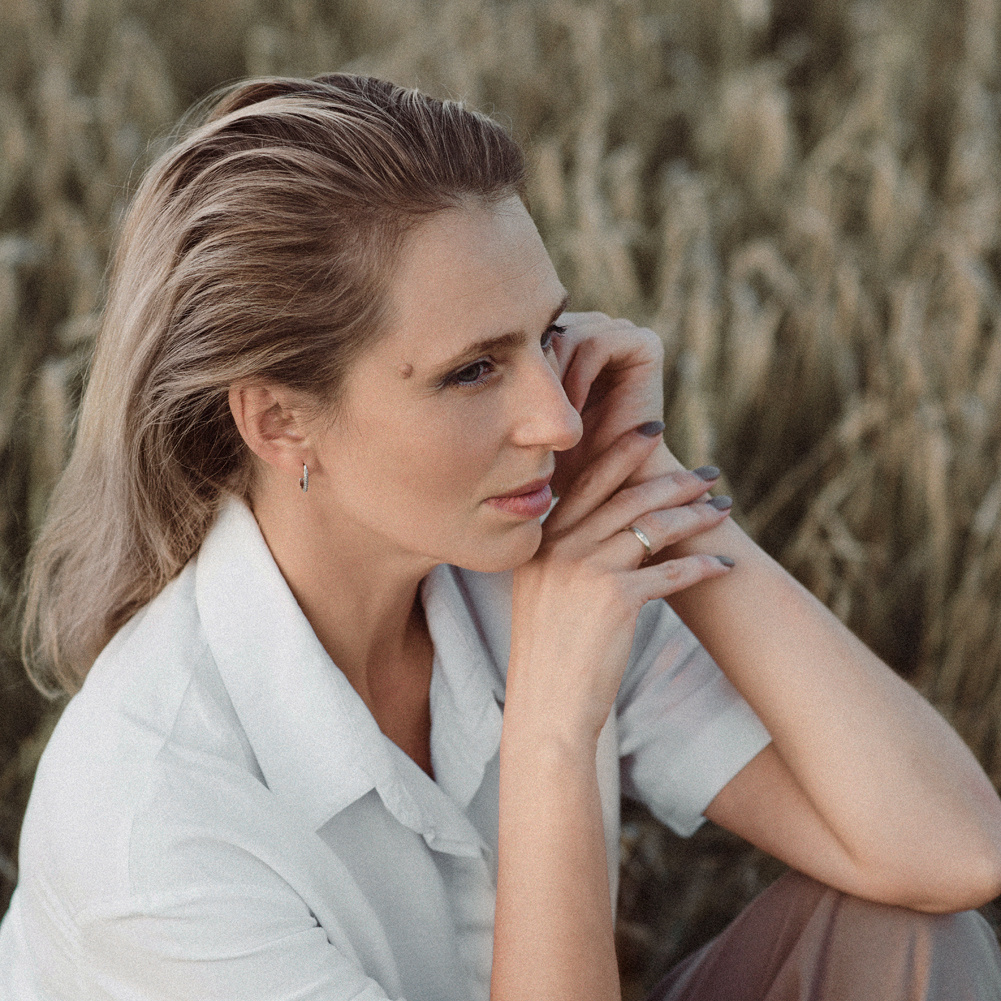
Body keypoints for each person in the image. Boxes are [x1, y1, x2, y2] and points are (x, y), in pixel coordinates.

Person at [1, 73, 1000, 1001]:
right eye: (473, 369)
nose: (555, 421)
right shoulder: (144, 821)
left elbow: (949, 850)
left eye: (546, 339)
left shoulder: (521, 563)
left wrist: (646, 484)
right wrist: (553, 729)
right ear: (276, 421)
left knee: (909, 941)